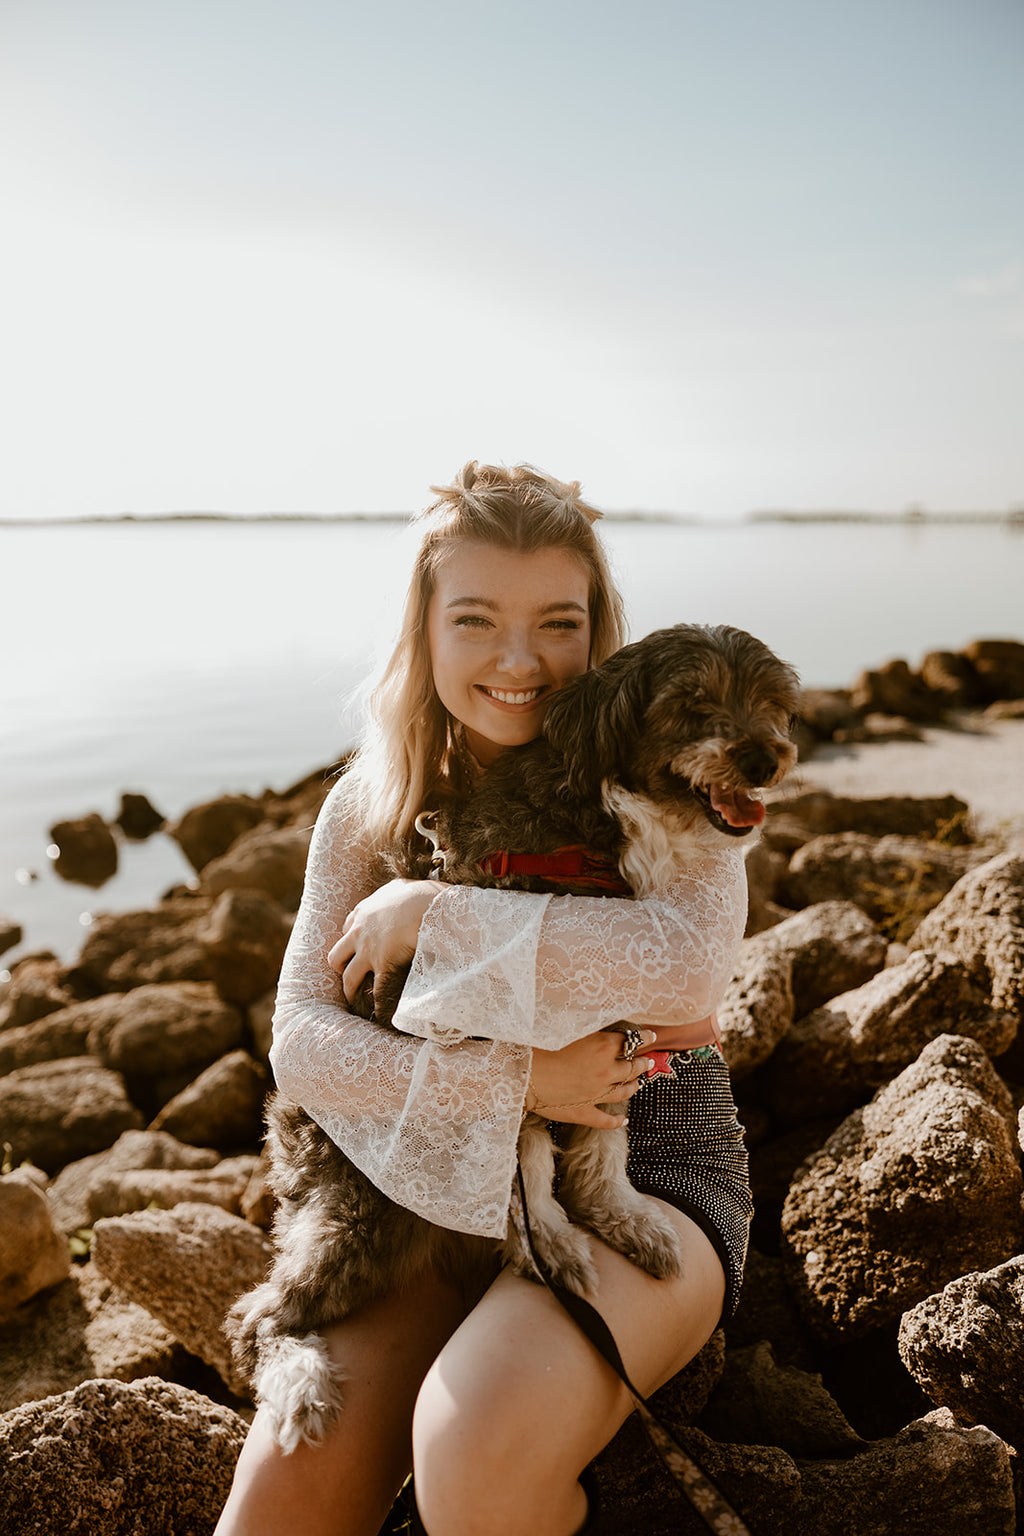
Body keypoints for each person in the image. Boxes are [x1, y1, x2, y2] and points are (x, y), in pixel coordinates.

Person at [214, 462, 752, 1536]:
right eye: (476, 621)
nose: (521, 661)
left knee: (470, 1454)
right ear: (423, 632)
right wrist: (512, 1080)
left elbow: (686, 965)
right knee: (284, 1492)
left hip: (639, 1166)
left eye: (557, 623)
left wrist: (432, 913)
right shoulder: (369, 804)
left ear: (598, 632)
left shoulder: (670, 778)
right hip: (417, 1185)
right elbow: (305, 1049)